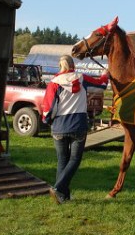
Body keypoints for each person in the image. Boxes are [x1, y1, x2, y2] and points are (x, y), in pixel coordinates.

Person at [42, 55, 109, 204]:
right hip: (78, 125)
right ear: (73, 65)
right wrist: (106, 74)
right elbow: (101, 85)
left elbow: (48, 108)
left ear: (60, 65)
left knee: (62, 160)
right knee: (74, 160)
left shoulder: (53, 83)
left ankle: (63, 197)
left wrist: (47, 121)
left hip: (59, 126)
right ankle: (59, 189)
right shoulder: (82, 78)